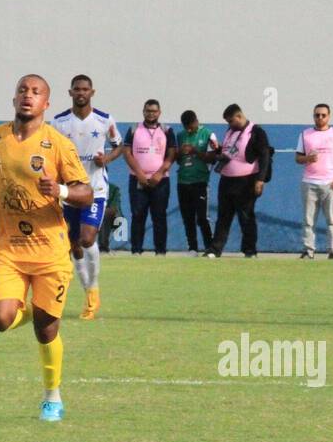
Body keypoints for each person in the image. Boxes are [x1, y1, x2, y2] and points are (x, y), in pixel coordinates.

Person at [0, 74, 92, 422]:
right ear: (14, 97)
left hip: (50, 252)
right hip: (9, 249)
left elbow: (86, 193)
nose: (27, 96)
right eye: (22, 90)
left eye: (36, 93)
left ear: (46, 104)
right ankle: (37, 309)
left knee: (47, 330)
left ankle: (52, 395)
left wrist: (61, 192)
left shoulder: (58, 144)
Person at [53, 75, 121, 318]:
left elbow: (119, 146)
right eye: (77, 89)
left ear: (92, 92)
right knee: (73, 244)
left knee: (87, 238)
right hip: (70, 192)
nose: (81, 93)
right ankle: (88, 292)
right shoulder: (59, 122)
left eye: (85, 89)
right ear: (70, 92)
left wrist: (107, 159)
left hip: (95, 191)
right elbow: (51, 153)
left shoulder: (104, 120)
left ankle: (94, 290)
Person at [210, 103, 271, 258]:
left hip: (246, 181)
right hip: (227, 180)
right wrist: (217, 148)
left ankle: (249, 251)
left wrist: (260, 180)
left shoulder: (257, 132)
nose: (229, 124)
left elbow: (265, 156)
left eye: (231, 121)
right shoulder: (230, 131)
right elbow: (228, 152)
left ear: (239, 116)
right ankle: (215, 249)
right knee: (223, 216)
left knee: (246, 216)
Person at [295, 103, 333, 259]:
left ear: (329, 116)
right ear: (313, 116)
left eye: (323, 115)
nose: (320, 118)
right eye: (317, 115)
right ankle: (308, 250)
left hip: (332, 183)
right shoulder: (305, 134)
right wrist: (307, 158)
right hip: (309, 182)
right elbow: (298, 158)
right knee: (308, 220)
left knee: (332, 219)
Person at [122, 99, 176, 256]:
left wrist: (159, 173)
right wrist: (139, 173)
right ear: (143, 112)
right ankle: (136, 251)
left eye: (154, 111)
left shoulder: (167, 130)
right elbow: (127, 152)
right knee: (138, 215)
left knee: (159, 216)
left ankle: (160, 252)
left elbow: (172, 154)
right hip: (138, 180)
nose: (151, 113)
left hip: (161, 181)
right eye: (148, 111)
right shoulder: (134, 129)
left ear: (159, 112)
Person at [175, 110, 219, 254]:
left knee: (202, 217)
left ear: (196, 121)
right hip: (183, 181)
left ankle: (209, 247)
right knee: (187, 217)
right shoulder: (180, 135)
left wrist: (195, 151)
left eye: (190, 126)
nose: (188, 130)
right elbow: (177, 160)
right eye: (185, 127)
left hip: (200, 181)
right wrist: (180, 153)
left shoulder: (208, 134)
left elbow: (213, 158)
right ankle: (192, 247)